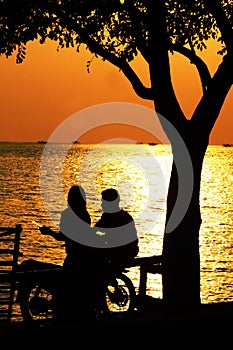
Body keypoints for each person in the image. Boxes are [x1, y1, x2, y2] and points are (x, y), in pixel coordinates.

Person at [39, 185, 98, 322]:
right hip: (83, 257)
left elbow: (62, 237)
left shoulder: (66, 215)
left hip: (72, 257)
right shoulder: (85, 215)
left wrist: (48, 232)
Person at [92, 188, 139, 306]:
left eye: (103, 202)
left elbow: (94, 232)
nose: (102, 204)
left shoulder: (109, 218)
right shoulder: (125, 216)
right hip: (130, 251)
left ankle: (97, 298)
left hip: (118, 252)